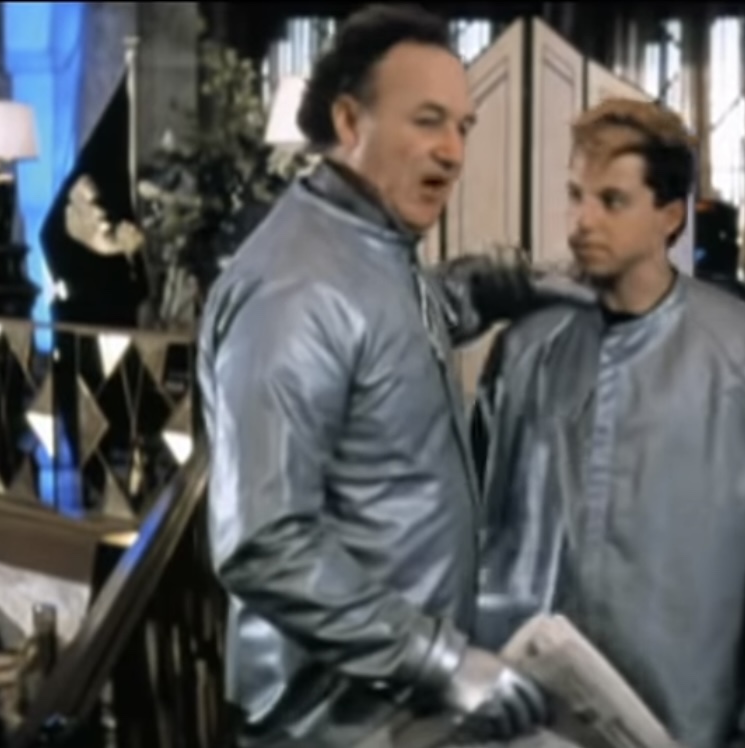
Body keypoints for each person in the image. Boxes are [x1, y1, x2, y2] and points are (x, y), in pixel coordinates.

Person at [200, 6, 554, 747]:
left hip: (394, 707)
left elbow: (390, 332)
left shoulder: (369, 243)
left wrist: (488, 289)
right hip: (333, 723)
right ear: (348, 120)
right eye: (428, 122)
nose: (453, 152)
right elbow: (265, 544)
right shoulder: (295, 289)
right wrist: (442, 661)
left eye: (463, 127)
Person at [470, 98, 745, 748]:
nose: (582, 221)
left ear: (670, 215)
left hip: (684, 723)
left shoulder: (742, 353)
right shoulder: (526, 349)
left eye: (612, 201)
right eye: (575, 195)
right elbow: (466, 539)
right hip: (527, 726)